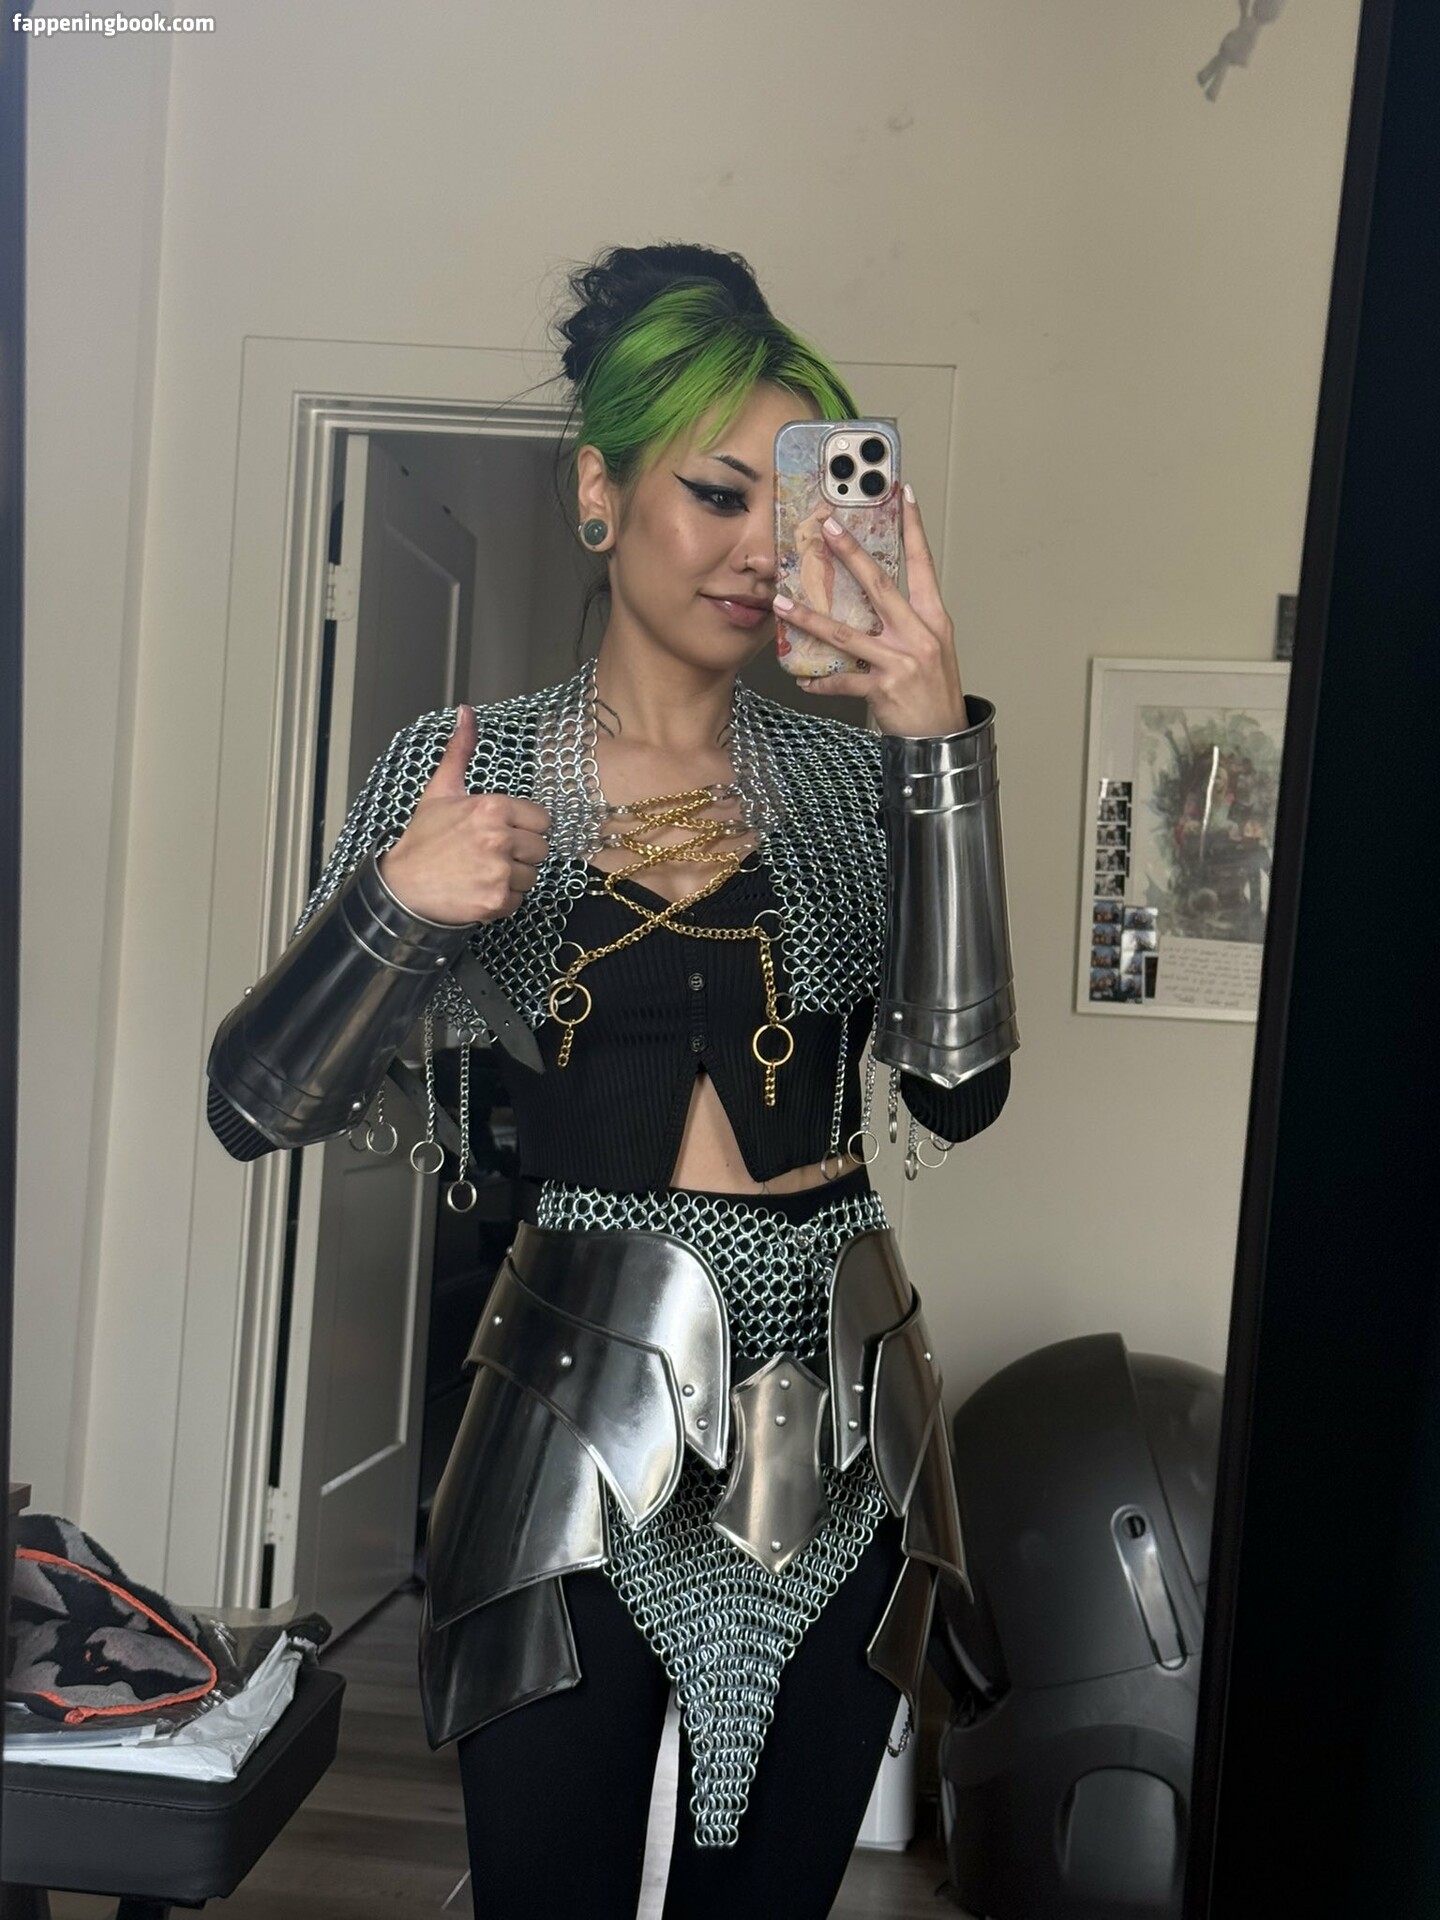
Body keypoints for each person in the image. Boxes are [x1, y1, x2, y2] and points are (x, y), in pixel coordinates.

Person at [205, 242, 1019, 1920]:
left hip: (840, 1411)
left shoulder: (850, 777)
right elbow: (250, 1103)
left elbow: (958, 1092)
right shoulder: (466, 769)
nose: (756, 550)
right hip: (571, 1412)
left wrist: (938, 741)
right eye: (714, 495)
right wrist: (397, 905)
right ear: (601, 490)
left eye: (787, 510)